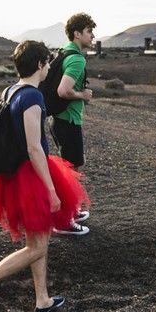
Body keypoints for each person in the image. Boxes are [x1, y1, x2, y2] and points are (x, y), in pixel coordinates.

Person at [0, 40, 90, 312]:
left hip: (16, 174)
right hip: (30, 174)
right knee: (37, 247)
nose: (50, 67)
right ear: (40, 65)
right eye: (48, 63)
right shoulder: (32, 97)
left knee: (37, 238)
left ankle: (43, 300)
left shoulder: (11, 90)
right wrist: (51, 189)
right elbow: (34, 147)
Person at [48, 12, 96, 235]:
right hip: (68, 121)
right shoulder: (76, 58)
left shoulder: (63, 52)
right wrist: (83, 95)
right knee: (70, 170)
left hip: (59, 120)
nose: (93, 36)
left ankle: (72, 210)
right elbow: (63, 91)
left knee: (71, 167)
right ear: (77, 33)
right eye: (89, 31)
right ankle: (63, 221)